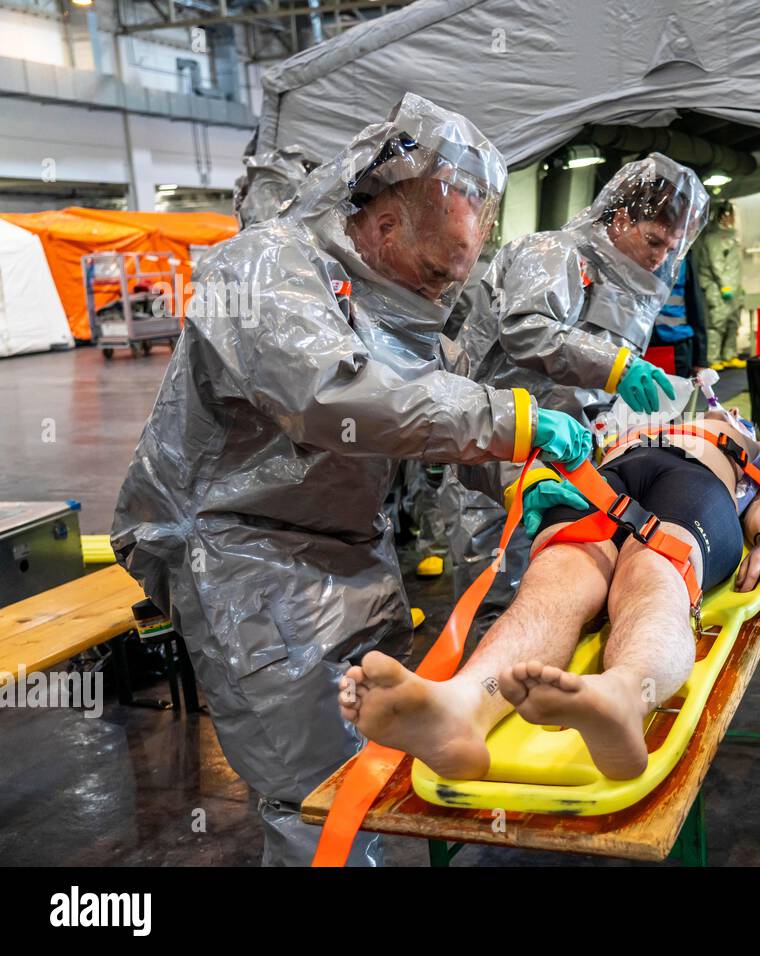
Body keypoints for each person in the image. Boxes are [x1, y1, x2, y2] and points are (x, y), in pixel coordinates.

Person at [110, 93, 591, 867]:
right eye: (437, 272)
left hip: (347, 546)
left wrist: (518, 480)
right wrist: (511, 423)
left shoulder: (404, 300)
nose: (442, 293)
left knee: (385, 749)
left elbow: (438, 406)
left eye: (455, 281)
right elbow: (328, 395)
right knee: (318, 787)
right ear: (386, 223)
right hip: (238, 550)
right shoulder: (268, 265)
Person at [339, 411, 760, 782]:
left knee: (654, 569)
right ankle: (459, 708)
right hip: (605, 478)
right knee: (557, 575)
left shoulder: (740, 439)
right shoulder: (637, 423)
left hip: (692, 481)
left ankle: (624, 694)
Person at [444, 155, 709, 635]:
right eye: (653, 240)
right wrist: (617, 366)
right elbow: (524, 330)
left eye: (670, 248)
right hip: (498, 449)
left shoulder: (629, 284)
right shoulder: (555, 254)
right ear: (623, 217)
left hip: (567, 457)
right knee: (499, 591)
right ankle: (481, 697)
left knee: (558, 591)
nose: (659, 258)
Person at [693, 199, 746, 370]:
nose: (731, 219)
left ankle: (729, 355)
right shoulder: (715, 238)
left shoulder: (730, 237)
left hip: (733, 287)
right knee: (716, 323)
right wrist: (725, 286)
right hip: (719, 288)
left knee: (732, 322)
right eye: (729, 215)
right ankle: (713, 358)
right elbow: (717, 264)